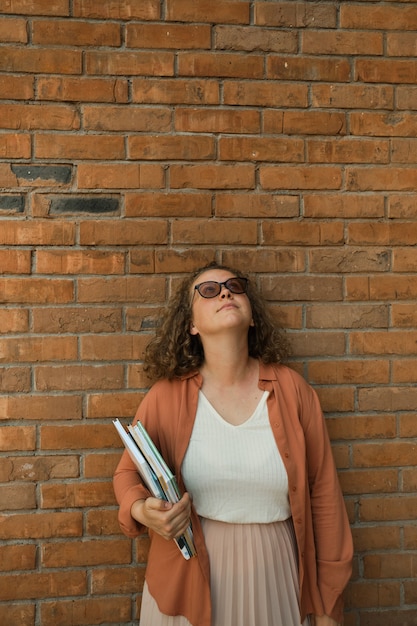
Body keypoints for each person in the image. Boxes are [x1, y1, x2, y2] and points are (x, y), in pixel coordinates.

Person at [113, 262, 353, 626]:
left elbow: (324, 498)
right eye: (208, 290)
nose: (225, 292)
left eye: (234, 286)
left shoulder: (293, 392)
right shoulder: (165, 397)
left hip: (278, 580)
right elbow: (128, 472)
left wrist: (328, 606)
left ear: (253, 316)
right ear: (191, 324)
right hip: (187, 581)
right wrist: (143, 510)